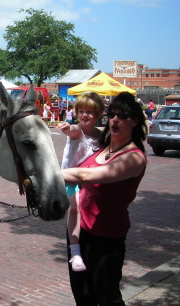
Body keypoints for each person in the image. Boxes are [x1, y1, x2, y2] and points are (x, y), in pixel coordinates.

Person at [61, 92, 147, 306]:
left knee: (108, 298)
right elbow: (79, 133)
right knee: (83, 295)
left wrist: (46, 175)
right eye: (112, 114)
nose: (115, 119)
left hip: (106, 237)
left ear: (135, 121)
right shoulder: (103, 144)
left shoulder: (134, 157)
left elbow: (86, 176)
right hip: (80, 231)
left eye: (123, 116)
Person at [57, 92, 105, 273]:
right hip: (73, 180)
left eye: (90, 112)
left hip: (91, 181)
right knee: (76, 207)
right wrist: (65, 127)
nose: (85, 115)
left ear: (99, 113)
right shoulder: (78, 131)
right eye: (82, 111)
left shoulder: (100, 135)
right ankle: (75, 252)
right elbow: (71, 131)